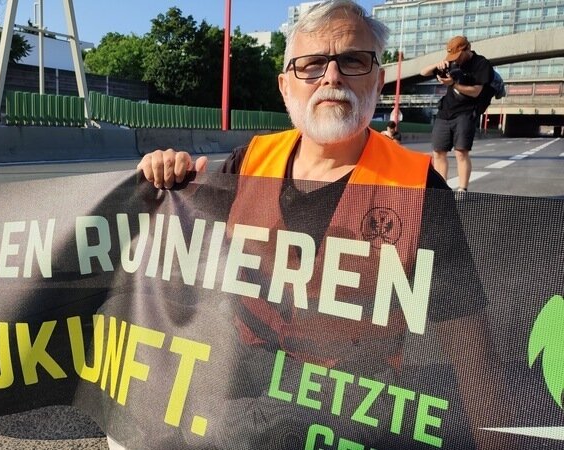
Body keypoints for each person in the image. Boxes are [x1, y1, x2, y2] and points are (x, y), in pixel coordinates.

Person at [137, 1, 510, 448]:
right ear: (285, 86)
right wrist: (166, 178)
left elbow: (467, 338)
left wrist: (497, 440)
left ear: (377, 80)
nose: (331, 76)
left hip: (348, 402)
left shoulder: (418, 188)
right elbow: (177, 250)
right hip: (244, 377)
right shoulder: (249, 162)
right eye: (311, 64)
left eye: (352, 61)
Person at [420, 36, 493, 193]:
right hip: (445, 111)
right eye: (452, 56)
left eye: (458, 56)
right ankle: (442, 190)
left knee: (461, 152)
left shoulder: (481, 64)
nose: (455, 60)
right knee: (438, 152)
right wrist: (437, 65)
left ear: (467, 49)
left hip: (466, 112)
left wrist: (453, 84)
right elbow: (423, 72)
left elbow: (476, 92)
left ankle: (462, 189)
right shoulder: (451, 61)